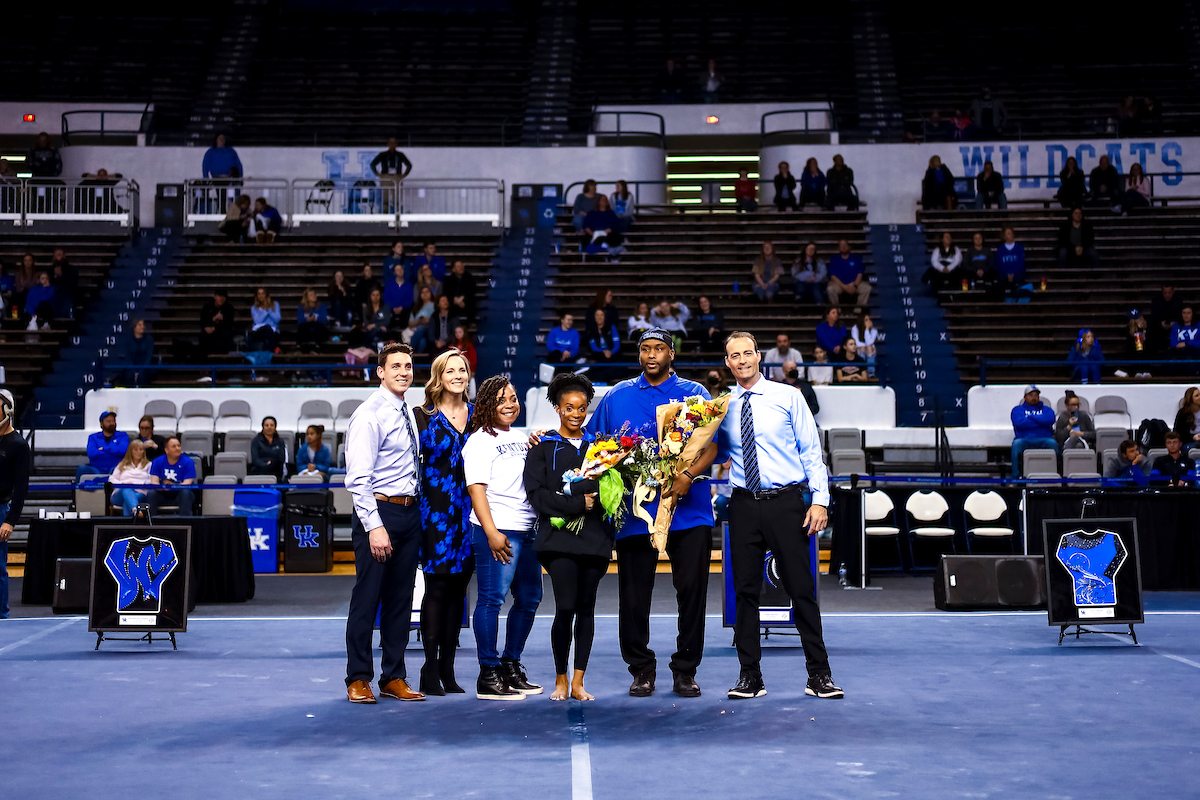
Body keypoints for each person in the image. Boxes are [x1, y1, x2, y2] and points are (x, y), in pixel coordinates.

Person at [589, 329, 718, 698]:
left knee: (692, 591)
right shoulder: (617, 395)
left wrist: (687, 476)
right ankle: (641, 669)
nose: (651, 354)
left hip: (688, 510)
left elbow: (712, 447)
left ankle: (685, 670)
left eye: (659, 348)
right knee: (633, 594)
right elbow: (596, 448)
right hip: (635, 512)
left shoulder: (695, 394)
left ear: (671, 354)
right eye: (645, 349)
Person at [717, 332, 842, 700]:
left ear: (759, 356)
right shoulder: (721, 404)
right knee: (744, 592)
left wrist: (820, 500)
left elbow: (810, 450)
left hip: (786, 503)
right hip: (742, 504)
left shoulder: (789, 395)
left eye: (747, 353)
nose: (741, 360)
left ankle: (819, 675)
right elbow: (718, 452)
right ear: (727, 362)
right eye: (733, 355)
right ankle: (749, 677)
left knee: (801, 590)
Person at [344, 342, 425, 704]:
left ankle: (393, 676)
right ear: (380, 372)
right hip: (379, 513)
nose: (403, 372)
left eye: (407, 366)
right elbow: (357, 479)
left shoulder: (407, 410)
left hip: (410, 513)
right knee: (368, 597)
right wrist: (374, 526)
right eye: (395, 366)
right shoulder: (369, 414)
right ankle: (358, 677)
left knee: (400, 600)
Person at [524, 373, 613, 701]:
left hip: (595, 540)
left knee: (586, 608)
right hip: (557, 543)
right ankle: (560, 678)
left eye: (582, 408)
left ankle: (578, 681)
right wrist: (579, 502)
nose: (576, 413)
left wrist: (588, 498)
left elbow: (608, 491)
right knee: (566, 607)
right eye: (569, 408)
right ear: (558, 409)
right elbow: (538, 496)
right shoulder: (542, 448)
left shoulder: (602, 450)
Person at [463, 375, 543, 701]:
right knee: (492, 600)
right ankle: (488, 673)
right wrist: (492, 531)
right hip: (497, 531)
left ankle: (511, 665)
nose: (509, 404)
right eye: (501, 400)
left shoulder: (522, 436)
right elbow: (476, 490)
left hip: (528, 529)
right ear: (486, 405)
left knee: (530, 599)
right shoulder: (480, 440)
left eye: (512, 398)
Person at [413, 350, 475, 696]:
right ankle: (429, 669)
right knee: (437, 590)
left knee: (458, 593)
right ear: (439, 376)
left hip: (468, 513)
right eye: (450, 370)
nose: (457, 375)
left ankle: (449, 671)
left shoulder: (478, 415)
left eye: (462, 369)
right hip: (435, 513)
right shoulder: (422, 415)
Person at [0, 391, 30, 618]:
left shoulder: (18, 445)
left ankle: (2, 615)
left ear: (7, 411)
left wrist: (10, 520)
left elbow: (21, 488)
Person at [1010, 385, 1057, 478]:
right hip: (1024, 439)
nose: (1034, 397)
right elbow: (1019, 423)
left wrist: (1030, 417)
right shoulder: (1017, 410)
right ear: (1025, 397)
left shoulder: (1047, 409)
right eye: (1031, 395)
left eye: (1036, 395)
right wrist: (1040, 421)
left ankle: (1056, 473)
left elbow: (1050, 420)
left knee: (1053, 443)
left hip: (1045, 438)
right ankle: (1016, 476)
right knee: (1016, 444)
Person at [147, 436, 197, 516]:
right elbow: (154, 483)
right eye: (174, 446)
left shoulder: (188, 462)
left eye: (179, 446)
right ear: (166, 450)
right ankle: (150, 523)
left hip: (180, 495)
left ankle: (185, 523)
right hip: (163, 494)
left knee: (186, 492)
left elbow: (187, 483)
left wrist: (172, 486)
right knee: (151, 493)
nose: (177, 448)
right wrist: (164, 487)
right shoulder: (157, 461)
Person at [77, 411, 130, 485]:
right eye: (108, 421)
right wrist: (113, 451)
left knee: (120, 470)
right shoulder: (93, 437)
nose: (111, 423)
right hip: (96, 469)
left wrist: (104, 449)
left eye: (113, 421)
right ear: (101, 424)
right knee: (81, 469)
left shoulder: (123, 436)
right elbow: (91, 453)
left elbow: (123, 450)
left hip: (115, 468)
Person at [109, 441, 153, 516]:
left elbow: (151, 480)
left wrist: (137, 484)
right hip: (119, 493)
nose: (139, 452)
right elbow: (112, 479)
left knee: (128, 501)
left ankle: (132, 515)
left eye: (141, 449)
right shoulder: (122, 465)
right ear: (130, 451)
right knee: (126, 489)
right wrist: (122, 484)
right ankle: (136, 510)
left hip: (140, 492)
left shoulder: (149, 465)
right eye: (136, 450)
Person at [826, 239, 871, 309]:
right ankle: (836, 310)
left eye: (845, 245)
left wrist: (855, 286)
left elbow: (860, 274)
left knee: (867, 288)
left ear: (848, 247)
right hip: (839, 284)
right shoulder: (835, 260)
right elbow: (833, 276)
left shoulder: (856, 258)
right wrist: (843, 286)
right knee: (830, 289)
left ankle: (858, 310)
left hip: (854, 284)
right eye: (841, 245)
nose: (843, 247)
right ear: (839, 248)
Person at [198, 288, 235, 357]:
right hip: (209, 329)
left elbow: (229, 323)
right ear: (215, 296)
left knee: (227, 334)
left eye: (223, 297)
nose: (221, 299)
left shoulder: (229, 308)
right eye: (219, 296)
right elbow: (203, 321)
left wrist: (215, 328)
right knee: (203, 334)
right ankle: (203, 358)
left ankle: (225, 357)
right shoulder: (207, 306)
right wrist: (213, 319)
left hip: (221, 330)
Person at [249, 416, 288, 481]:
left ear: (275, 427)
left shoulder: (280, 441)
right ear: (263, 427)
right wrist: (266, 464)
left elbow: (282, 458)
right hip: (259, 469)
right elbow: (255, 459)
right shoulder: (256, 440)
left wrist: (272, 464)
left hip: (276, 469)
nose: (269, 427)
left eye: (271, 425)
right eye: (267, 425)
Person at [587, 308, 621, 379]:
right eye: (597, 315)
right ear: (594, 317)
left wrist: (610, 352)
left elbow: (617, 345)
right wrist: (603, 352)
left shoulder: (612, 328)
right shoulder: (591, 330)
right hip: (599, 356)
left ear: (605, 317)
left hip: (612, 356)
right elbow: (594, 347)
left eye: (601, 315)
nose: (599, 317)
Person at [1150, 284, 1184, 354]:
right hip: (1159, 326)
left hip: (1176, 325)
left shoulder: (1179, 301)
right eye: (1165, 293)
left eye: (1169, 293)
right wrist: (1160, 323)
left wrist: (1174, 323)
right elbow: (1154, 316)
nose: (1167, 295)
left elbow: (1181, 316)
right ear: (1162, 292)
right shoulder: (1156, 301)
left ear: (1173, 291)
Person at [965, 232, 1000, 297]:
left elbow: (991, 263)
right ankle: (967, 297)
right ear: (973, 240)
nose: (978, 240)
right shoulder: (969, 252)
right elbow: (966, 264)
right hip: (973, 273)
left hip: (986, 273)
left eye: (979, 238)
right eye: (976, 238)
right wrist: (976, 271)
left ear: (982, 239)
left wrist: (984, 270)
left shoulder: (987, 251)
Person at [247, 287, 281, 353]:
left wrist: (269, 309)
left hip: (273, 331)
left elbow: (277, 319)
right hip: (259, 331)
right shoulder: (254, 307)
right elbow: (257, 321)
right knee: (267, 328)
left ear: (266, 295)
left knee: (269, 331)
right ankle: (275, 349)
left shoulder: (275, 305)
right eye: (259, 294)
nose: (261, 296)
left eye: (263, 293)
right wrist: (265, 311)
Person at [123, 318, 156, 386]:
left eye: (143, 325)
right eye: (139, 325)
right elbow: (128, 357)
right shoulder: (128, 340)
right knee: (128, 376)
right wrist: (134, 372)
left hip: (145, 368)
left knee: (143, 376)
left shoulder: (149, 340)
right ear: (134, 328)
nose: (142, 327)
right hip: (131, 368)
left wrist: (140, 371)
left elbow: (148, 358)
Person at [995, 226, 1026, 297]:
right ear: (1004, 236)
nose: (1011, 235)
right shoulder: (1000, 249)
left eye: (1012, 233)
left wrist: (1013, 274)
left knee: (1020, 277)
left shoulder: (1019, 248)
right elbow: (999, 265)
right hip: (1004, 276)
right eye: (1008, 233)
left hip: (1017, 275)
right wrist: (1007, 274)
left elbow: (1021, 263)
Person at [296, 288, 329, 353]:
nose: (314, 296)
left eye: (314, 294)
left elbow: (324, 319)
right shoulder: (302, 307)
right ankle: (299, 347)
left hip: (319, 330)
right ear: (307, 298)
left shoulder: (321, 306)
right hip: (307, 330)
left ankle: (317, 347)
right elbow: (299, 319)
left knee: (318, 325)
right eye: (311, 295)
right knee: (301, 326)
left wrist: (315, 319)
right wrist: (307, 319)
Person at [1175, 387, 1200, 453]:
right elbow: (1178, 432)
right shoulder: (1183, 413)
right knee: (1191, 450)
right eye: (1197, 396)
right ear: (1190, 399)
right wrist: (1193, 437)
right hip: (1189, 441)